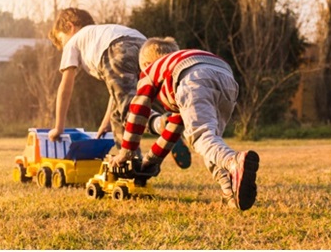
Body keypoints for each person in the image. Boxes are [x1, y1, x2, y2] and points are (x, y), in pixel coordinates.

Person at [109, 37, 260, 210]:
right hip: (227, 78)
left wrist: (126, 152)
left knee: (201, 138)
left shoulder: (152, 69)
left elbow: (137, 109)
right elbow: (173, 128)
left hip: (195, 78)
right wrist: (150, 162)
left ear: (146, 63)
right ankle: (230, 194)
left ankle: (233, 160)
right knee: (210, 142)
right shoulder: (177, 64)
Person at [46, 7, 147, 149]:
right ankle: (133, 161)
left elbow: (65, 88)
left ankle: (160, 125)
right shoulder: (101, 34)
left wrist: (59, 127)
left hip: (117, 48)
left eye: (62, 40)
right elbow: (116, 93)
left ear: (70, 27)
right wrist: (106, 124)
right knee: (120, 114)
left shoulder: (74, 41)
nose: (64, 47)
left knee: (130, 112)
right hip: (144, 45)